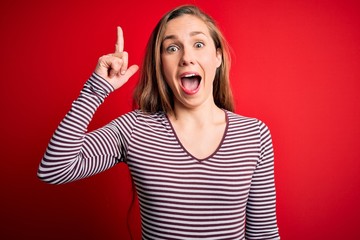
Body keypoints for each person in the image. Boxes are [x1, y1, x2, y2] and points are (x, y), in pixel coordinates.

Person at [38, 5, 280, 240]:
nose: (187, 57)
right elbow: (55, 168)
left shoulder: (254, 134)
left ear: (217, 56)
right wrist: (96, 90)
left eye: (198, 44)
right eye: (172, 48)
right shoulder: (134, 129)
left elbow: (263, 234)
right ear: (161, 65)